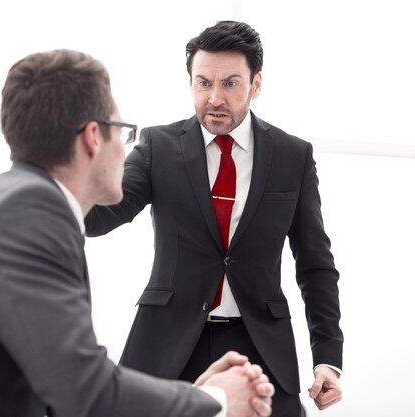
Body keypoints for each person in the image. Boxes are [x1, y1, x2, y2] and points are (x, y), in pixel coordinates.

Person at [0, 48, 275, 417]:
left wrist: (194, 394)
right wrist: (217, 401)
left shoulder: (15, 200)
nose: (125, 147)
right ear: (92, 138)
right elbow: (86, 393)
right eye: (121, 130)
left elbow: (62, 391)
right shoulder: (29, 216)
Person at [85, 20, 343, 417]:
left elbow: (315, 264)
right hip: (167, 344)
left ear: (256, 84)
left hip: (259, 344)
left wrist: (327, 357)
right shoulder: (158, 145)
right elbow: (102, 216)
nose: (215, 98)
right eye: (203, 83)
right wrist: (69, 167)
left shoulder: (294, 157)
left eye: (230, 84)